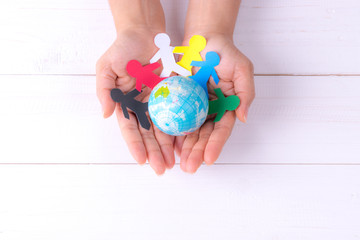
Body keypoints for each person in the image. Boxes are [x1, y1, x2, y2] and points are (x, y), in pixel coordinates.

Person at [96, 0, 255, 175]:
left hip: (185, 87)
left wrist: (211, 27)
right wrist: (137, 26)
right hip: (169, 89)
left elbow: (144, 81)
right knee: (172, 73)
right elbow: (143, 80)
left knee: (180, 74)